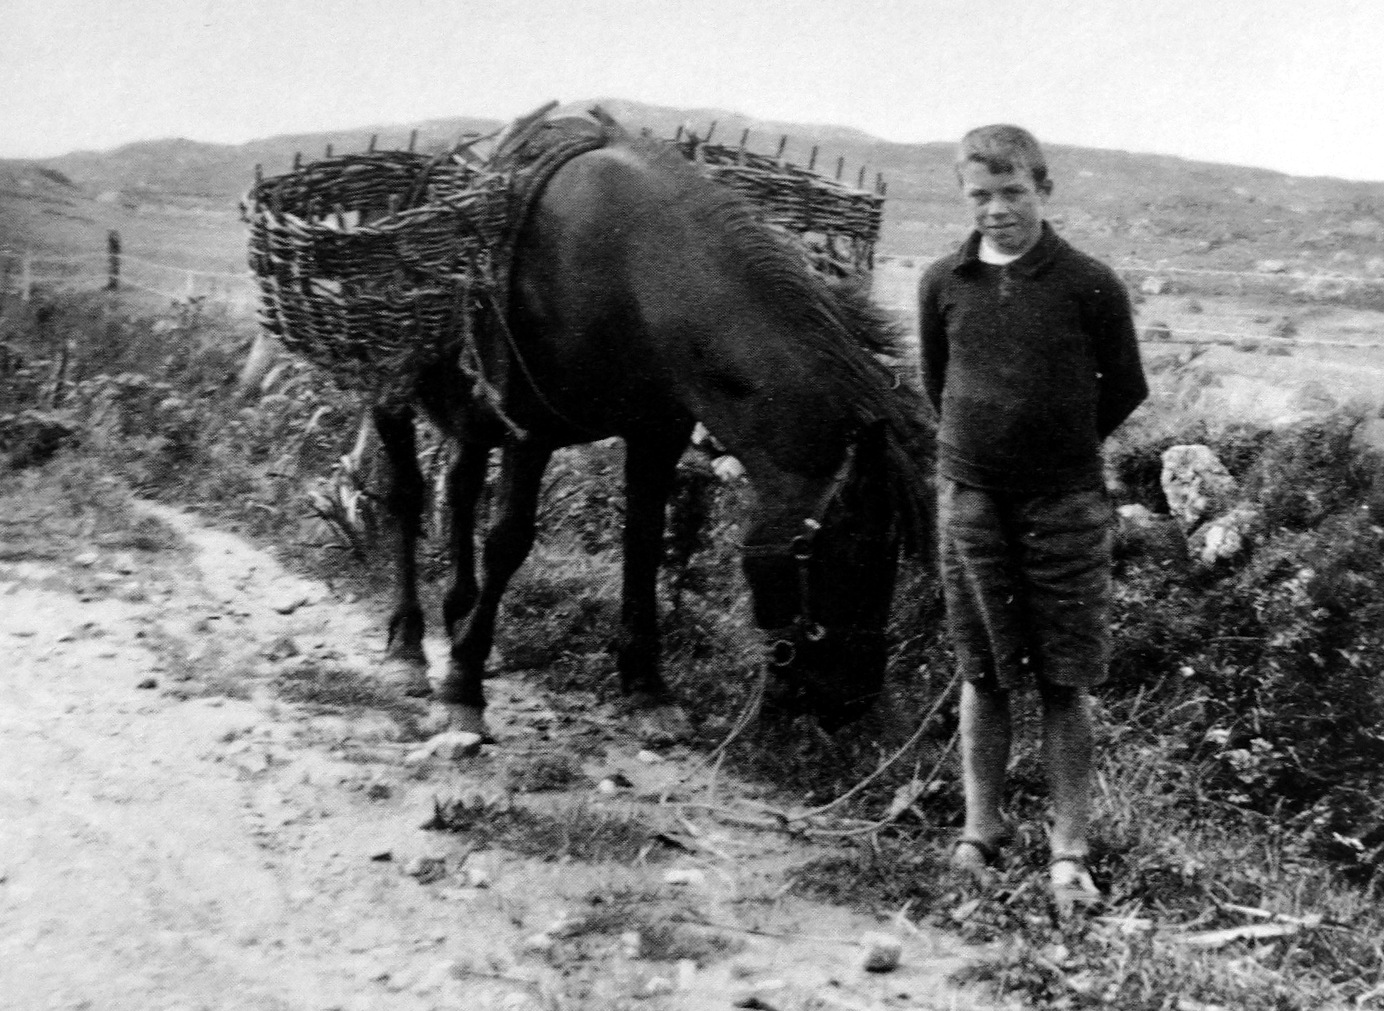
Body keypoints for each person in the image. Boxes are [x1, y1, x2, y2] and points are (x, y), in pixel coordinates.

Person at [917, 124, 1147, 905]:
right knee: (981, 672)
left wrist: (1053, 454)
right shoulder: (943, 281)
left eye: (1012, 191)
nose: (997, 209)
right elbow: (937, 381)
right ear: (963, 197)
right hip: (971, 500)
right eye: (979, 194)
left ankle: (1068, 848)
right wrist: (984, 458)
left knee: (1064, 677)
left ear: (1043, 190)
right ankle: (980, 831)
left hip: (1066, 503)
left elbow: (1125, 387)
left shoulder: (1089, 283)